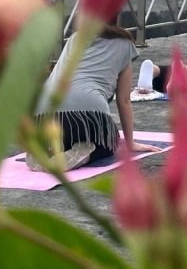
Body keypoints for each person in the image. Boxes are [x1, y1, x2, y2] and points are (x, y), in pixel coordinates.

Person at [34, 21, 161, 171]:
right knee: (110, 140)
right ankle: (85, 152)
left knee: (67, 133)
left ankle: (44, 150)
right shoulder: (125, 44)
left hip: (42, 112)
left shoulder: (75, 38)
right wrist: (130, 143)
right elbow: (124, 100)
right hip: (87, 110)